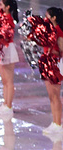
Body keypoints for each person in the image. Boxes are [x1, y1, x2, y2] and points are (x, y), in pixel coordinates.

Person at [0, 0, 20, 119]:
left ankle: (9, 106)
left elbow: (5, 35)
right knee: (4, 80)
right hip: (1, 48)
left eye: (1, 5)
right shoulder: (2, 17)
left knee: (8, 80)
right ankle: (5, 103)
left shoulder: (8, 19)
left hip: (7, 49)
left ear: (7, 7)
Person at [40, 7, 63, 136]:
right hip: (46, 62)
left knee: (55, 95)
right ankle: (54, 122)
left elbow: (61, 49)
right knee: (51, 95)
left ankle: (58, 123)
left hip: (54, 64)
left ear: (53, 18)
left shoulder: (59, 31)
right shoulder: (47, 30)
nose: (45, 17)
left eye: (47, 15)